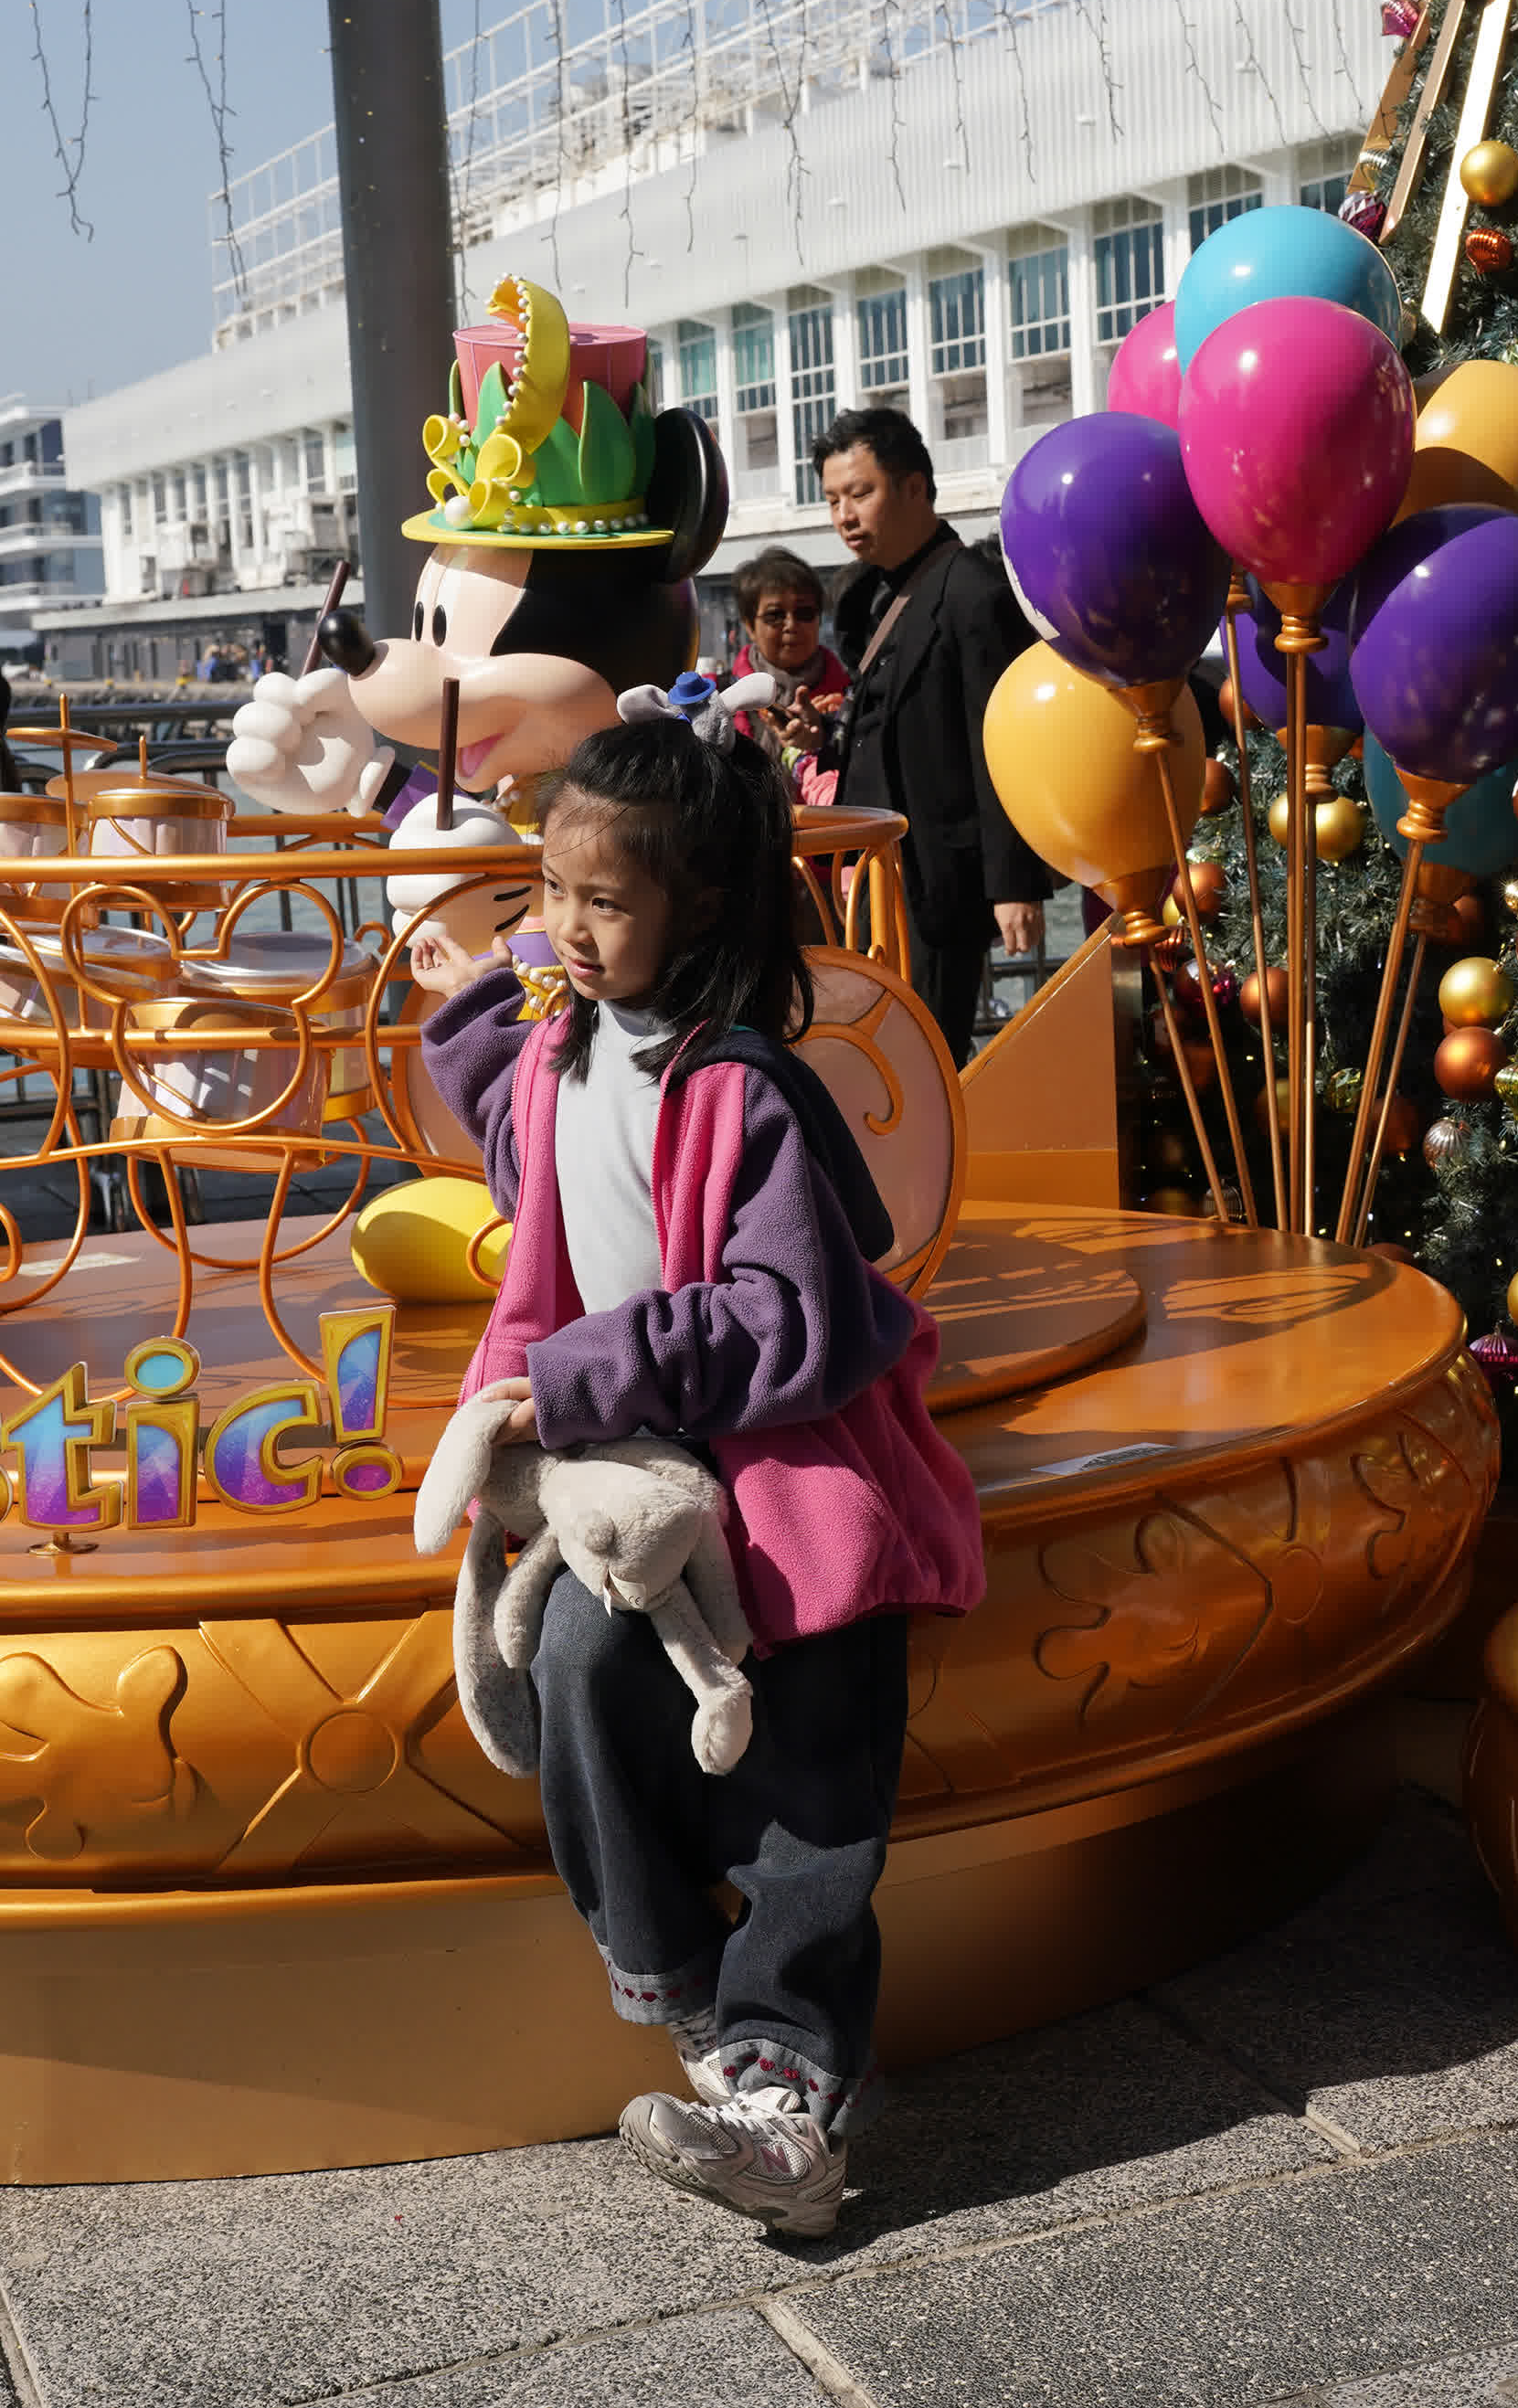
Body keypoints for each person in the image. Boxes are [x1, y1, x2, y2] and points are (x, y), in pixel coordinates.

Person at [417, 708, 985, 2233]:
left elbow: (788, 1313)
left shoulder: (743, 1087)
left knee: (815, 1752)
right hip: (644, 1469)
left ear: (704, 904)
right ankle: (694, 2004)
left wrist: (581, 1376)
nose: (569, 927)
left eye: (606, 900)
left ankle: (793, 2087)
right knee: (584, 1671)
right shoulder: (559, 1054)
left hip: (789, 1466)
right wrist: (485, 992)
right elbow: (507, 1134)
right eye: (551, 889)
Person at [812, 406, 1050, 1063]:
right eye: (833, 498)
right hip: (872, 878)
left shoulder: (973, 588)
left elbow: (999, 741)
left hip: (940, 883)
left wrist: (1015, 886)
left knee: (925, 1061)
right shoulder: (868, 596)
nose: (844, 514)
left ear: (916, 485)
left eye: (861, 492)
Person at [721, 546, 848, 805]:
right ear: (749, 625)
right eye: (775, 615)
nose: (791, 625)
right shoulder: (719, 698)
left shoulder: (849, 700)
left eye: (804, 613)